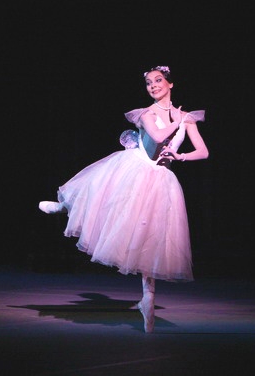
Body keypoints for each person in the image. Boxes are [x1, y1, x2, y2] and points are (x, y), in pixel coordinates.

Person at [38, 66, 208, 333]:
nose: (153, 86)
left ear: (170, 84)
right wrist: (178, 122)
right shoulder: (146, 114)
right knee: (101, 196)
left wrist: (181, 156)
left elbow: (203, 151)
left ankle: (147, 301)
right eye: (149, 83)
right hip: (135, 168)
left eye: (158, 81)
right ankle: (64, 205)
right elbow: (159, 136)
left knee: (149, 241)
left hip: (161, 180)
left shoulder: (188, 118)